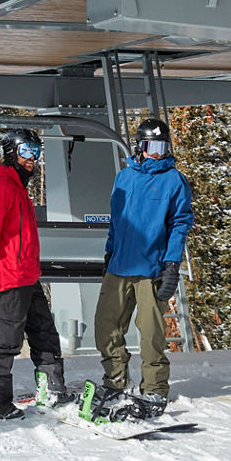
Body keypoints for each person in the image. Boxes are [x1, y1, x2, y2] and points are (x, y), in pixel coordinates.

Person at [94, 118, 193, 417]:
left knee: (150, 334)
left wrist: (172, 264)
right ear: (140, 146)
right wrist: (109, 253)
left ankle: (154, 389)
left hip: (151, 268)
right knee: (105, 328)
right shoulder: (124, 178)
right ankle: (114, 381)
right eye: (150, 146)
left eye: (162, 147)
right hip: (120, 264)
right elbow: (116, 220)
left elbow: (179, 224)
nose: (156, 153)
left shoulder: (174, 180)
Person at [0, 129, 71, 420]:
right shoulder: (2, 187)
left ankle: (52, 389)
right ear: (11, 152)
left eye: (36, 152)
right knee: (7, 343)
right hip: (9, 278)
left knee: (45, 335)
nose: (32, 159)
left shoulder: (17, 188)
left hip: (27, 276)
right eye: (26, 151)